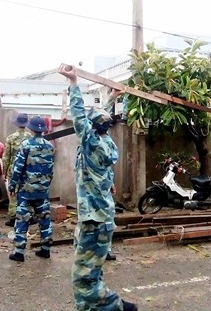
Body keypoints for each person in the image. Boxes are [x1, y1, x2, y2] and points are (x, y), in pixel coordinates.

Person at [58, 64, 137, 311]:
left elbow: (81, 116)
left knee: (83, 279)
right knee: (93, 271)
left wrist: (73, 84)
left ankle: (117, 306)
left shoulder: (91, 143)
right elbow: (99, 117)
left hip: (94, 219)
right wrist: (112, 97)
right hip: (98, 216)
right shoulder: (105, 142)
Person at [8, 116, 55, 262]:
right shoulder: (50, 146)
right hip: (42, 190)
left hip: (26, 190)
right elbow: (51, 169)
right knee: (45, 219)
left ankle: (19, 252)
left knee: (22, 219)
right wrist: (46, 185)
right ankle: (46, 250)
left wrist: (12, 184)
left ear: (31, 129)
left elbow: (18, 168)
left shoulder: (26, 145)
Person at [2, 113, 32, 227]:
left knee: (13, 193)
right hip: (28, 169)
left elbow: (6, 157)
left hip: (13, 169)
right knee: (26, 192)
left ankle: (13, 217)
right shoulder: (30, 137)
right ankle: (26, 215)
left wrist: (4, 172)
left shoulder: (11, 138)